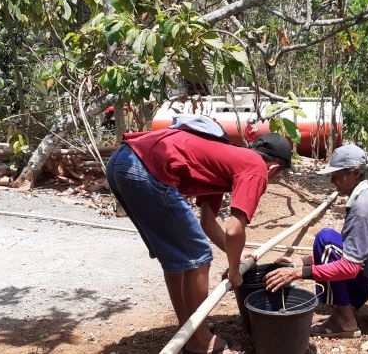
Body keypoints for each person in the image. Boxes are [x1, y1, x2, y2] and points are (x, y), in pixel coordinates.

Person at [106, 124, 294, 354]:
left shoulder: (223, 161)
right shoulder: (256, 168)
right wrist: (234, 270)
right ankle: (200, 341)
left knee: (176, 257)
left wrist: (234, 254)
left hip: (122, 161)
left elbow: (208, 222)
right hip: (146, 168)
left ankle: (189, 328)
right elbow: (234, 229)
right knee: (198, 256)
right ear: (274, 168)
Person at [264, 144, 368, 338]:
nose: (332, 180)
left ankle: (345, 320)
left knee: (325, 239)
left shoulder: (363, 208)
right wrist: (301, 262)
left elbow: (350, 267)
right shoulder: (363, 199)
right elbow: (350, 246)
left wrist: (297, 273)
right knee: (329, 245)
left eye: (337, 174)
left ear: (356, 173)